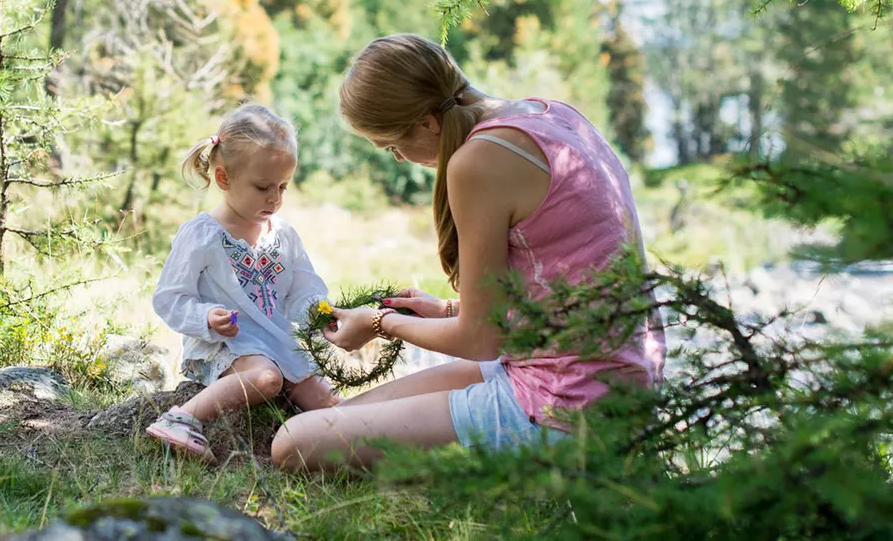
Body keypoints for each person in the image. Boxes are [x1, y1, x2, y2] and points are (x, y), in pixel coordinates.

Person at [270, 34, 665, 472]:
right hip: (609, 384)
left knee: (293, 444)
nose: (399, 158)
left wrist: (380, 322)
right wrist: (447, 310)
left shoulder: (480, 160)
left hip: (569, 405)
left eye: (392, 145)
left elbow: (480, 340)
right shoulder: (551, 114)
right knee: (329, 420)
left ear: (427, 123)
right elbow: (563, 276)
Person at [146, 103, 342, 462]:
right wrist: (206, 318)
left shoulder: (283, 235)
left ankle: (346, 447)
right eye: (264, 186)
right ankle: (182, 417)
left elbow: (303, 288)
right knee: (267, 379)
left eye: (283, 186)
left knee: (325, 399)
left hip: (274, 337)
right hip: (226, 344)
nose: (275, 198)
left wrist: (320, 313)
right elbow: (170, 298)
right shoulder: (202, 234)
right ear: (224, 179)